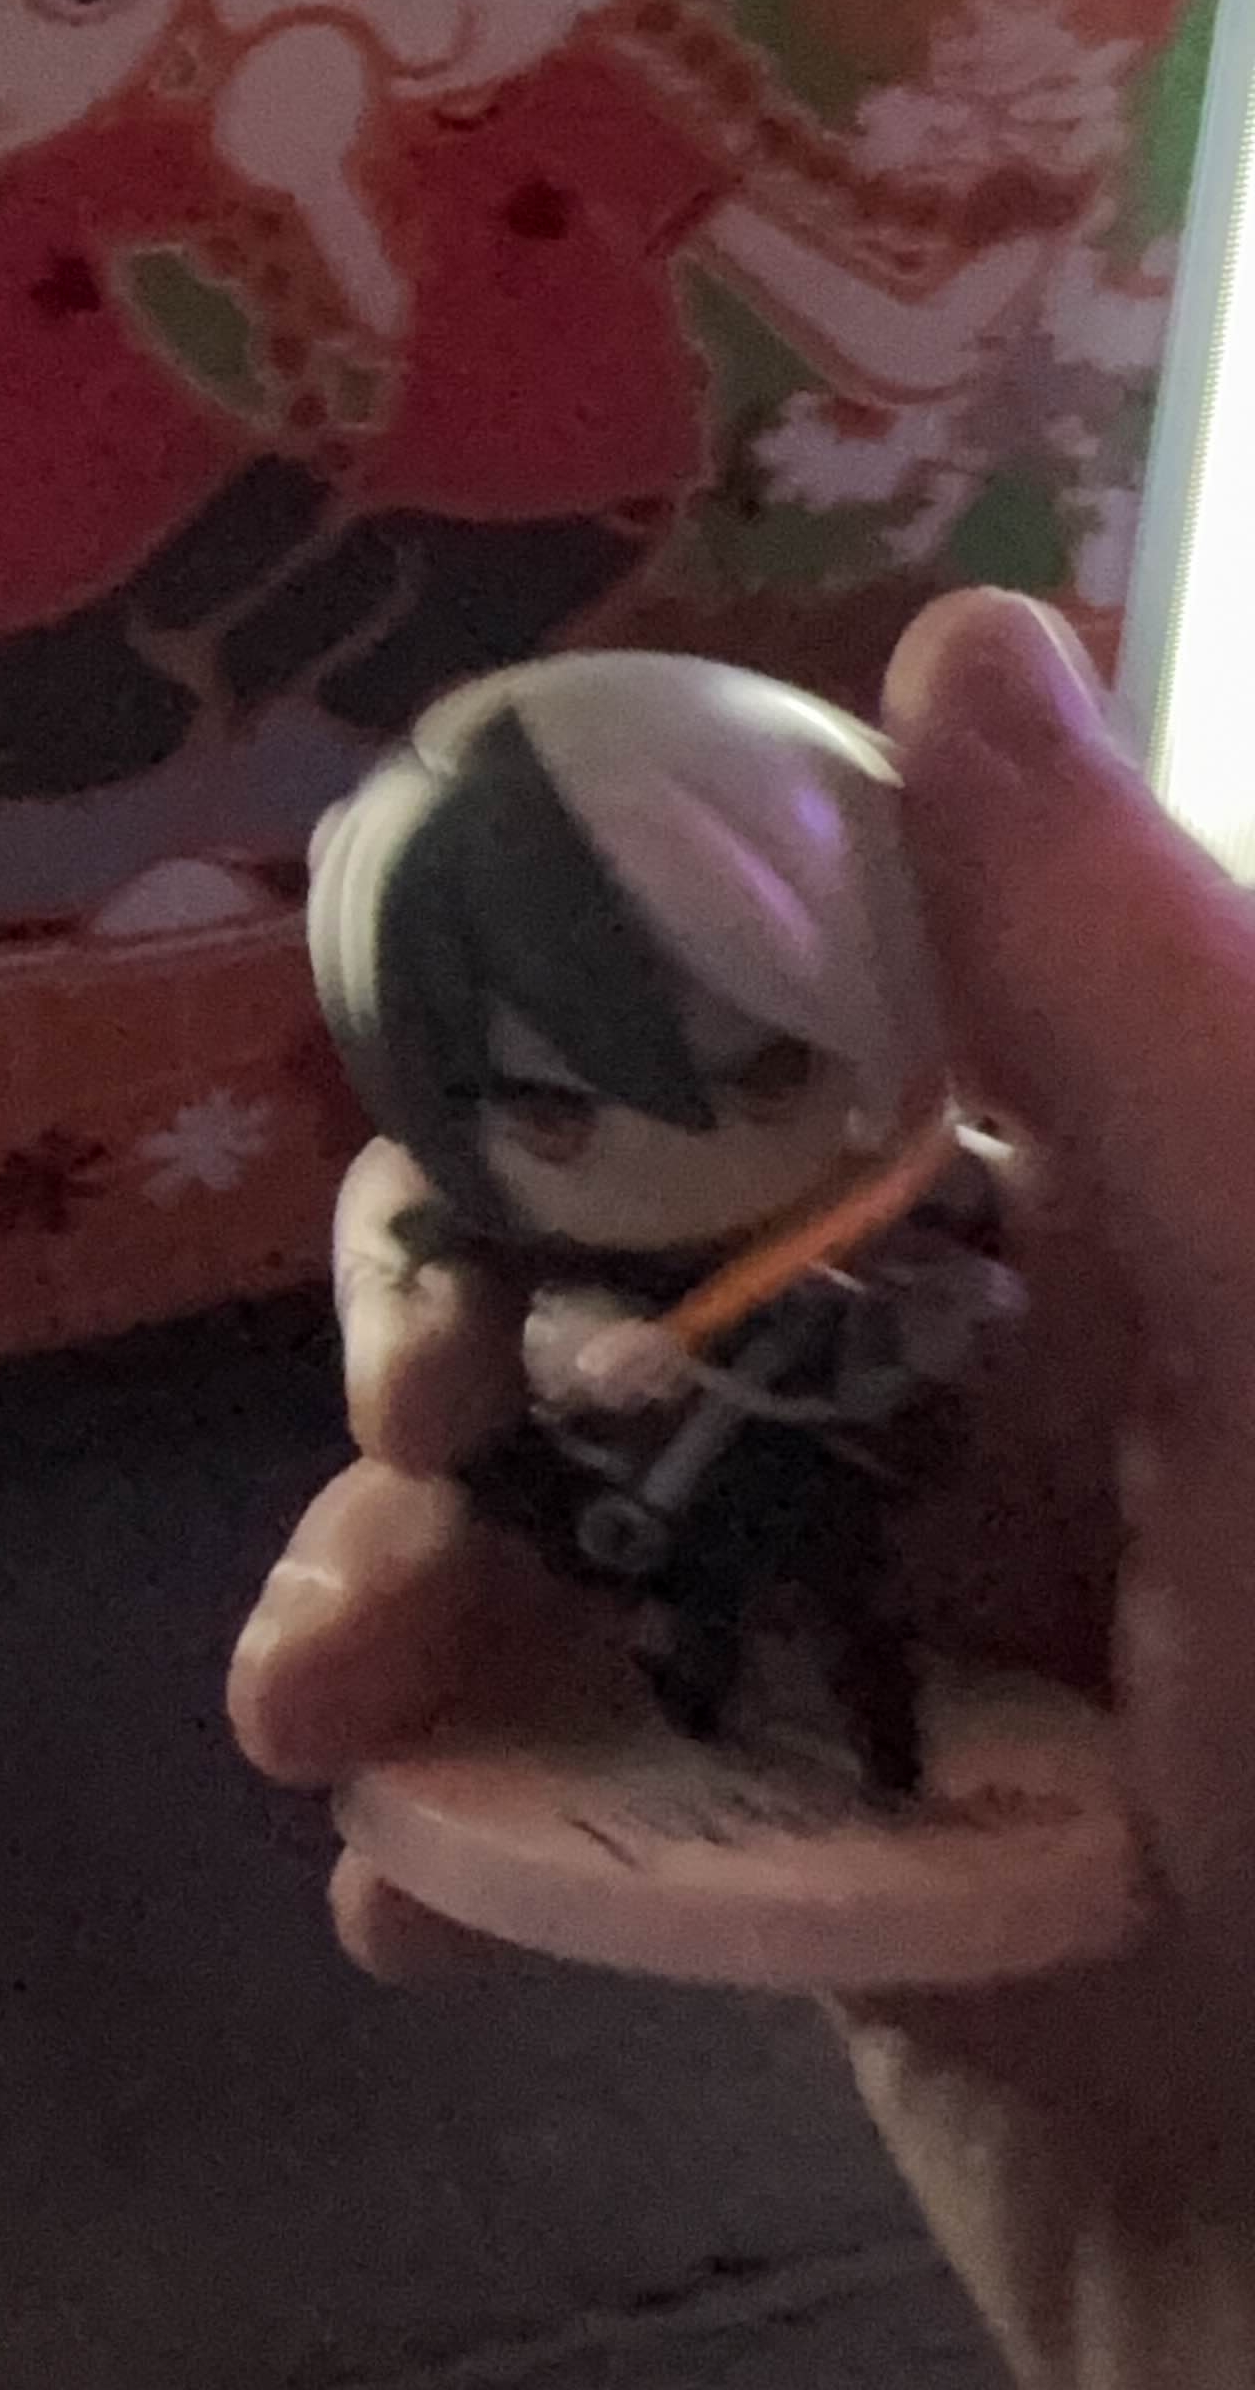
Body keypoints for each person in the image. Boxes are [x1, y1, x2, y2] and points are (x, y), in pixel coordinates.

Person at [231, 586, 1255, 2383]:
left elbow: (979, 1290)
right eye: (557, 1112)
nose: (665, 1146)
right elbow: (426, 1377)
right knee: (619, 1596)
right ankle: (702, 1699)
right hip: (615, 1476)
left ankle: (857, 1737)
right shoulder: (481, 1231)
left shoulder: (919, 1182)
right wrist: (494, 1330)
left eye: (769, 1067)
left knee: (837, 1596)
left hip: (838, 1458)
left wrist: (928, 1315)